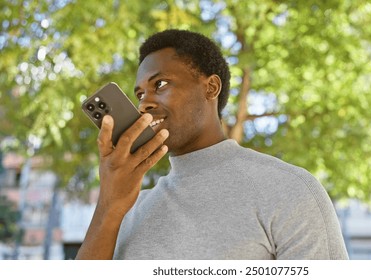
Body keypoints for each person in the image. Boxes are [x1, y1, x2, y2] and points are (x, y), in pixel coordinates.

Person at [76, 29, 348, 260]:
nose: (144, 102)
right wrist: (109, 205)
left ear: (211, 88)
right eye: (139, 94)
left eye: (160, 84)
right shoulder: (128, 211)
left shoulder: (290, 190)